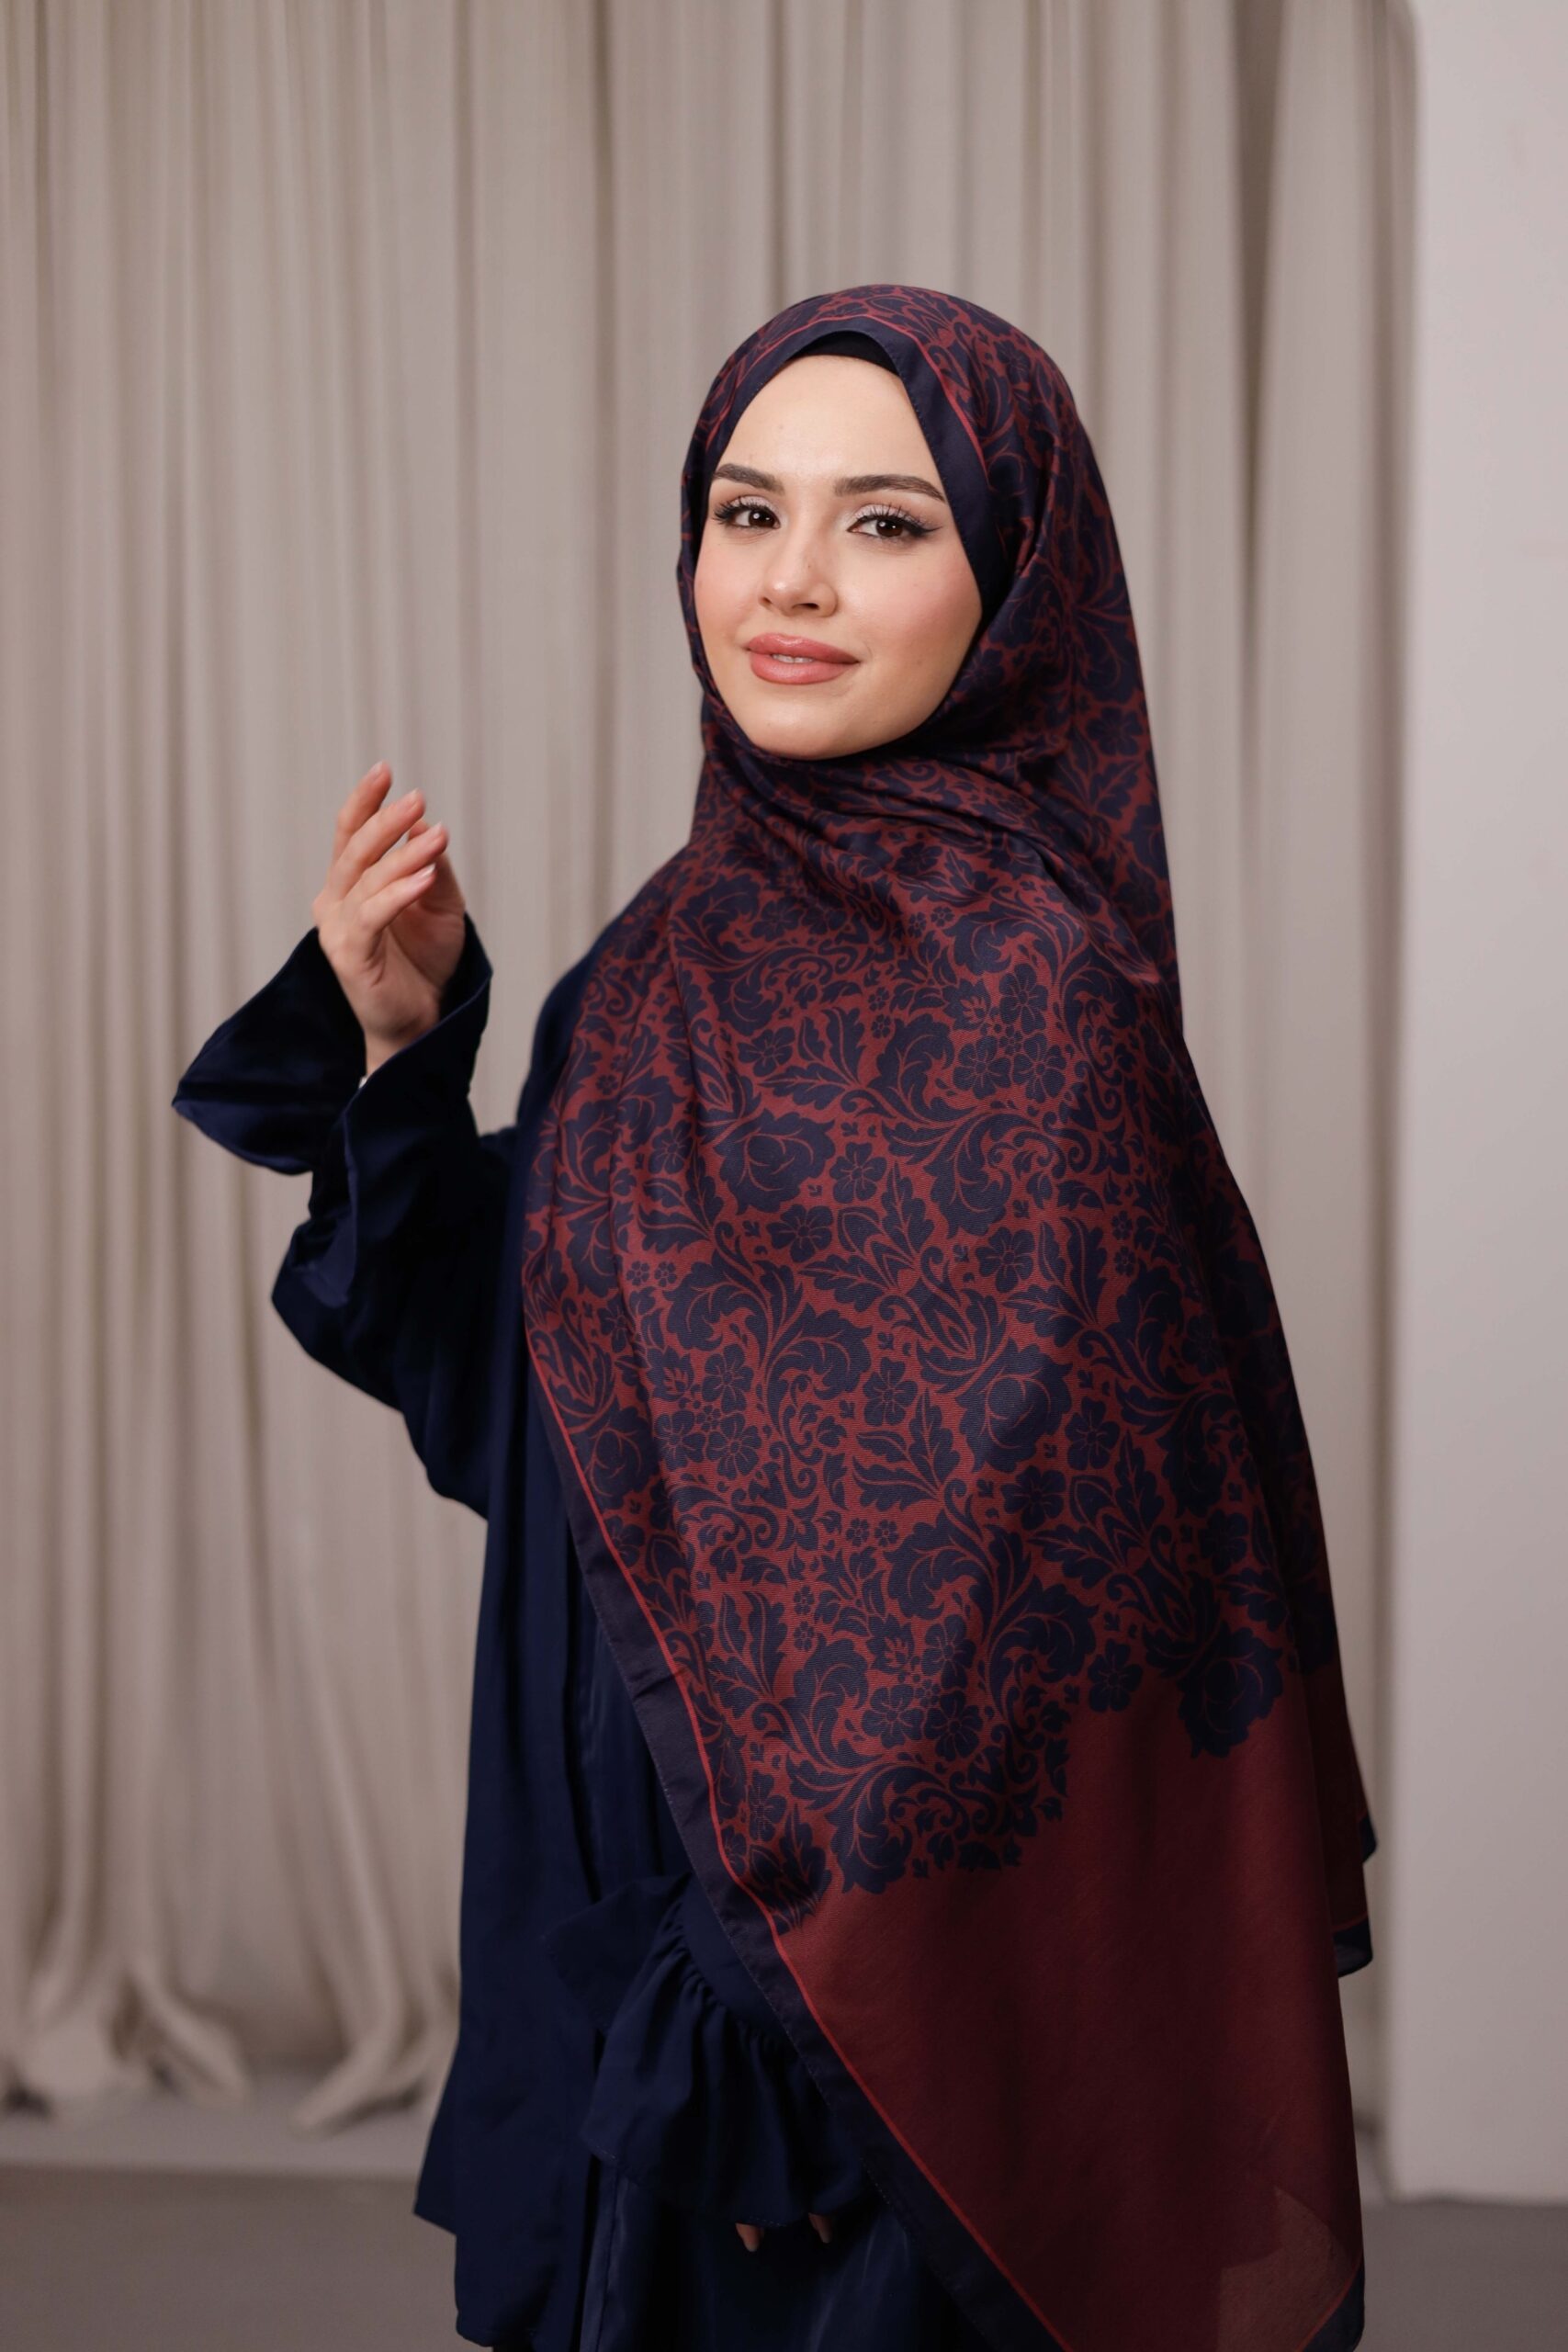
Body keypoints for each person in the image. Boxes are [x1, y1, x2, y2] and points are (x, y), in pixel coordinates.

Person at [173, 286, 1376, 2352]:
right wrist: (401, 1048)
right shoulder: (647, 971)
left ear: (1015, 587)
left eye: (883, 523)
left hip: (869, 2007)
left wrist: (773, 2002)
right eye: (747, 512)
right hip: (630, 1894)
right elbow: (535, 1412)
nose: (788, 582)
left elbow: (1040, 1606)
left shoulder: (1048, 1008)